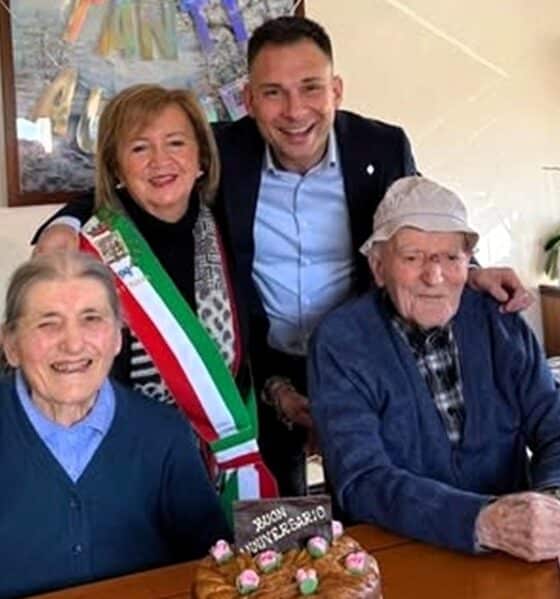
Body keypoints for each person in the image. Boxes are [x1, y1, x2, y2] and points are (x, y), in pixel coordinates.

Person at [33, 16, 531, 497]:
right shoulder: (223, 149)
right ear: (249, 100)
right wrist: (63, 226)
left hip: (360, 362)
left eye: (311, 88)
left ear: (336, 90)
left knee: (371, 496)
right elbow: (131, 179)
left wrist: (474, 271)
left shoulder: (380, 146)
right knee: (275, 511)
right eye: (273, 92)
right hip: (263, 370)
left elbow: (419, 222)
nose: (295, 111)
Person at [33, 83, 277, 509]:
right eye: (139, 148)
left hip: (227, 459)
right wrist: (64, 223)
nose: (161, 161)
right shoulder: (87, 251)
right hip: (125, 468)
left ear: (201, 157)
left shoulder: (229, 219)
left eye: (176, 143)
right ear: (116, 166)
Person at [308, 176, 560, 560]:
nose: (434, 276)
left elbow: (554, 426)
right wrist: (480, 521)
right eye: (413, 258)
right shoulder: (340, 342)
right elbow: (360, 478)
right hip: (397, 552)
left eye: (450, 258)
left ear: (468, 263)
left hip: (515, 554)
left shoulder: (499, 320)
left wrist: (550, 501)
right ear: (378, 267)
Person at [0, 251, 229, 598]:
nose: (73, 344)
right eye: (48, 323)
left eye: (91, 319)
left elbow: (214, 566)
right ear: (11, 345)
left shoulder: (163, 434)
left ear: (119, 337)